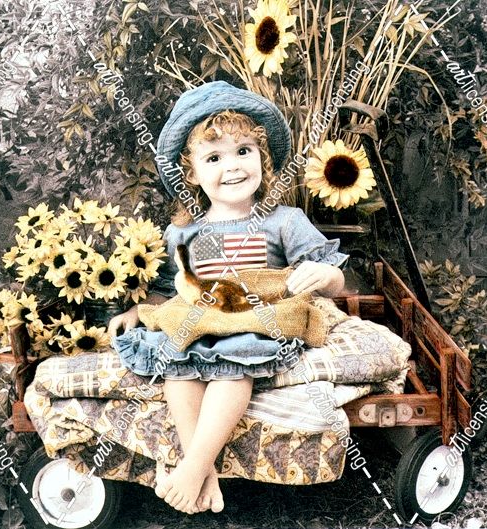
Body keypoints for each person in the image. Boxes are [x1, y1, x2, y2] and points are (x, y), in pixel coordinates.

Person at [108, 81, 349, 515]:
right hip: (202, 321)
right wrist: (135, 311)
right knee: (177, 366)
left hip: (254, 321)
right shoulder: (183, 232)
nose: (233, 166)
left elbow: (333, 282)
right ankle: (204, 473)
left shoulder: (284, 221)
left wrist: (326, 275)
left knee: (233, 369)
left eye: (243, 151)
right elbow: (168, 290)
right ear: (191, 174)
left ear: (262, 158)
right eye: (214, 158)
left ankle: (192, 468)